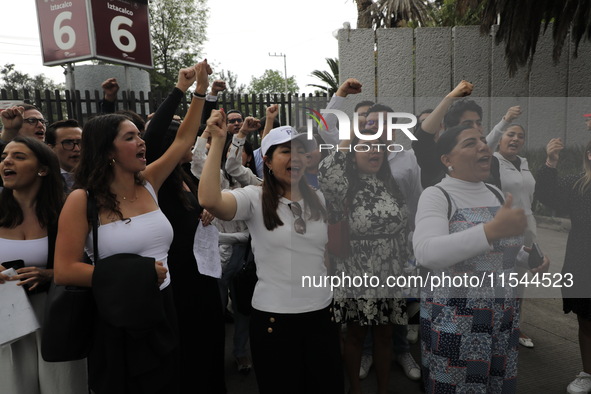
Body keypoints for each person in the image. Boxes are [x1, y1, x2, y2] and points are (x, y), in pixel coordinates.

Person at [54, 62, 208, 394]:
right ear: (107, 150)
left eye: (140, 135)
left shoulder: (149, 182)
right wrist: (136, 274)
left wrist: (198, 91)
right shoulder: (82, 200)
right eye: (131, 137)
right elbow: (64, 270)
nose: (142, 142)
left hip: (164, 309)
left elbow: (182, 141)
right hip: (116, 318)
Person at [199, 110, 344, 394]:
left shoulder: (319, 199)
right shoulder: (254, 198)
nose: (297, 157)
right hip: (275, 321)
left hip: (322, 315)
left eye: (302, 151)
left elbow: (321, 254)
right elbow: (209, 199)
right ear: (266, 160)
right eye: (287, 151)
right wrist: (218, 141)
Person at [413, 124, 548, 393]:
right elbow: (427, 252)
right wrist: (489, 231)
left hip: (501, 316)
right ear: (447, 160)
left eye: (483, 141)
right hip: (457, 320)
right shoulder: (436, 195)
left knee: (497, 385)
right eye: (469, 143)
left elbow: (502, 252)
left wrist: (527, 258)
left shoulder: (495, 193)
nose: (483, 146)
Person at [141, 64, 226, 392]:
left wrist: (206, 213)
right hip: (179, 283)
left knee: (211, 346)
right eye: (180, 135)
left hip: (204, 275)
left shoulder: (186, 177)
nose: (190, 139)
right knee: (189, 354)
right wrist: (185, 90)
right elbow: (153, 134)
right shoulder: (155, 184)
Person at [318, 129, 408, 394]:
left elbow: (403, 228)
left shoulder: (391, 184)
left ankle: (383, 389)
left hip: (389, 270)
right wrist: (352, 136)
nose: (374, 151)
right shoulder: (343, 187)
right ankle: (355, 389)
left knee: (385, 334)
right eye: (365, 147)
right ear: (352, 155)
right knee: (356, 334)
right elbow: (326, 170)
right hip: (356, 269)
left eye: (378, 146)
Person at [0, 136, 87, 394]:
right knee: (12, 384)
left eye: (18, 156)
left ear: (42, 169)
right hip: (8, 316)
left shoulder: (66, 209)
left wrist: (49, 273)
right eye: (5, 155)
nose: (7, 160)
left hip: (55, 315)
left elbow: (88, 259)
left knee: (63, 385)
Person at [535, 138, 591, 394]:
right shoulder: (579, 184)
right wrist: (551, 162)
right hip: (583, 263)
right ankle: (587, 373)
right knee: (586, 321)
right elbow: (546, 194)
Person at [45, 119, 82, 192]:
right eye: (68, 143)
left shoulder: (99, 177)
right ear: (51, 148)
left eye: (80, 142)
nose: (77, 149)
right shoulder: (44, 180)